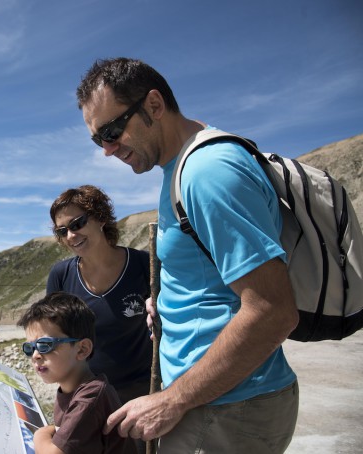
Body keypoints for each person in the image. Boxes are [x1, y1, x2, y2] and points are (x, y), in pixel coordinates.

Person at [76, 57, 299, 453]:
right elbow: (211, 277)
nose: (108, 150)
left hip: (226, 408)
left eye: (112, 130)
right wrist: (168, 301)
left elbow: (271, 310)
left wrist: (172, 400)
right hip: (213, 402)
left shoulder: (208, 172)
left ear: (154, 105)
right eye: (98, 140)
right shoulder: (177, 170)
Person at [47, 185, 151, 406]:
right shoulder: (61, 275)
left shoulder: (144, 264)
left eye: (77, 224)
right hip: (83, 395)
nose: (71, 235)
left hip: (139, 396)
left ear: (101, 218)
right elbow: (50, 336)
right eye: (62, 231)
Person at [17, 291, 132, 454]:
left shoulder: (89, 399)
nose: (35, 355)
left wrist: (40, 433)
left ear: (82, 349)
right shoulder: (73, 389)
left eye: (45, 345)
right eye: (29, 348)